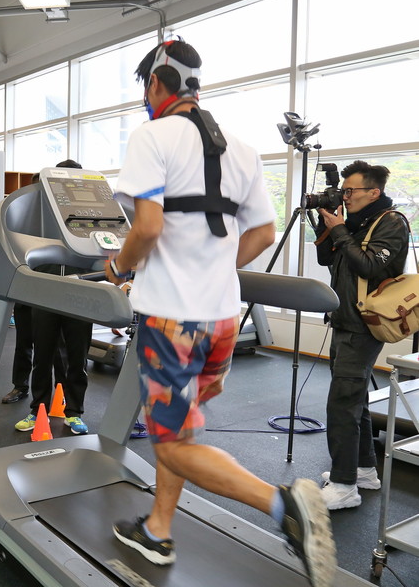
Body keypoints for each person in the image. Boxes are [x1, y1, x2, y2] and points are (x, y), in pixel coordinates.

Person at [104, 39, 335, 587]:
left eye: (145, 88)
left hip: (170, 321)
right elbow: (262, 232)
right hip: (224, 323)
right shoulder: (242, 148)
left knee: (171, 443)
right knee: (180, 428)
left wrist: (118, 268)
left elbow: (149, 228)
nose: (144, 98)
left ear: (158, 83)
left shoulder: (151, 136)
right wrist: (211, 264)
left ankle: (284, 506)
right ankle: (157, 529)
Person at [314, 161, 409, 510]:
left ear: (374, 192)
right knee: (355, 399)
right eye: (344, 189)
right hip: (344, 318)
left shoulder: (391, 223)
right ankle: (364, 469)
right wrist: (329, 224)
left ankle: (344, 485)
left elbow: (369, 266)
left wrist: (340, 230)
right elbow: (328, 259)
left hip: (364, 325)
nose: (346, 195)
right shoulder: (354, 223)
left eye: (351, 190)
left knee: (342, 402)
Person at [14, 160, 91, 436]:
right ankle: (38, 410)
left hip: (79, 292)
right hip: (45, 292)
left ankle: (74, 412)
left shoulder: (88, 213)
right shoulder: (42, 214)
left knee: (77, 357)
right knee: (42, 356)